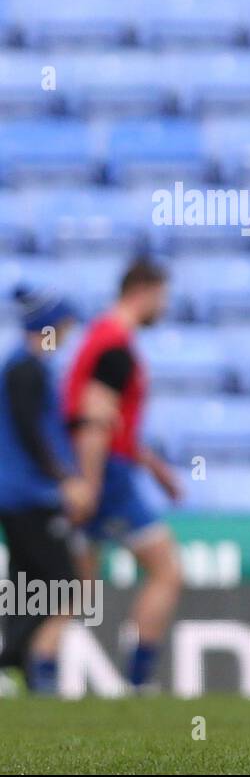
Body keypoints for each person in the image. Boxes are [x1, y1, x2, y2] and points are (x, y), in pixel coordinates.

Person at [64, 259, 184, 692]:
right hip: (108, 476)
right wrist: (91, 485)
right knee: (167, 571)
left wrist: (157, 470)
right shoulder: (115, 345)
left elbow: (110, 419)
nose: (163, 308)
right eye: (162, 298)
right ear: (144, 291)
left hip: (108, 468)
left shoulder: (102, 338)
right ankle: (138, 676)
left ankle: (36, 670)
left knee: (77, 583)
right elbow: (95, 419)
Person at [0, 288, 94, 693]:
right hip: (28, 496)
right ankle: (18, 659)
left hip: (21, 493)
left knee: (25, 584)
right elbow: (31, 433)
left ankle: (21, 664)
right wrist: (65, 480)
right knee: (65, 582)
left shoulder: (27, 368)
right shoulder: (27, 369)